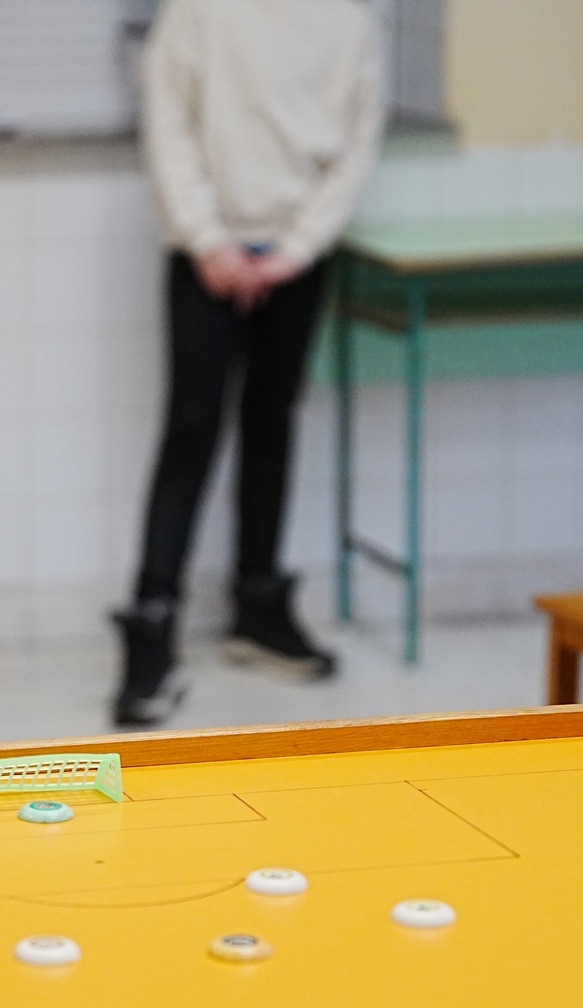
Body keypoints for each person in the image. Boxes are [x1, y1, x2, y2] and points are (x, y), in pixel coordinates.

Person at [113, 0, 386, 725]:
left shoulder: (349, 22)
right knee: (191, 429)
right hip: (204, 253)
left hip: (298, 255)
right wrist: (208, 240)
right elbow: (168, 124)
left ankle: (258, 607)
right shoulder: (196, 14)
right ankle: (152, 624)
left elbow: (357, 144)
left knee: (272, 424)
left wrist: (296, 249)